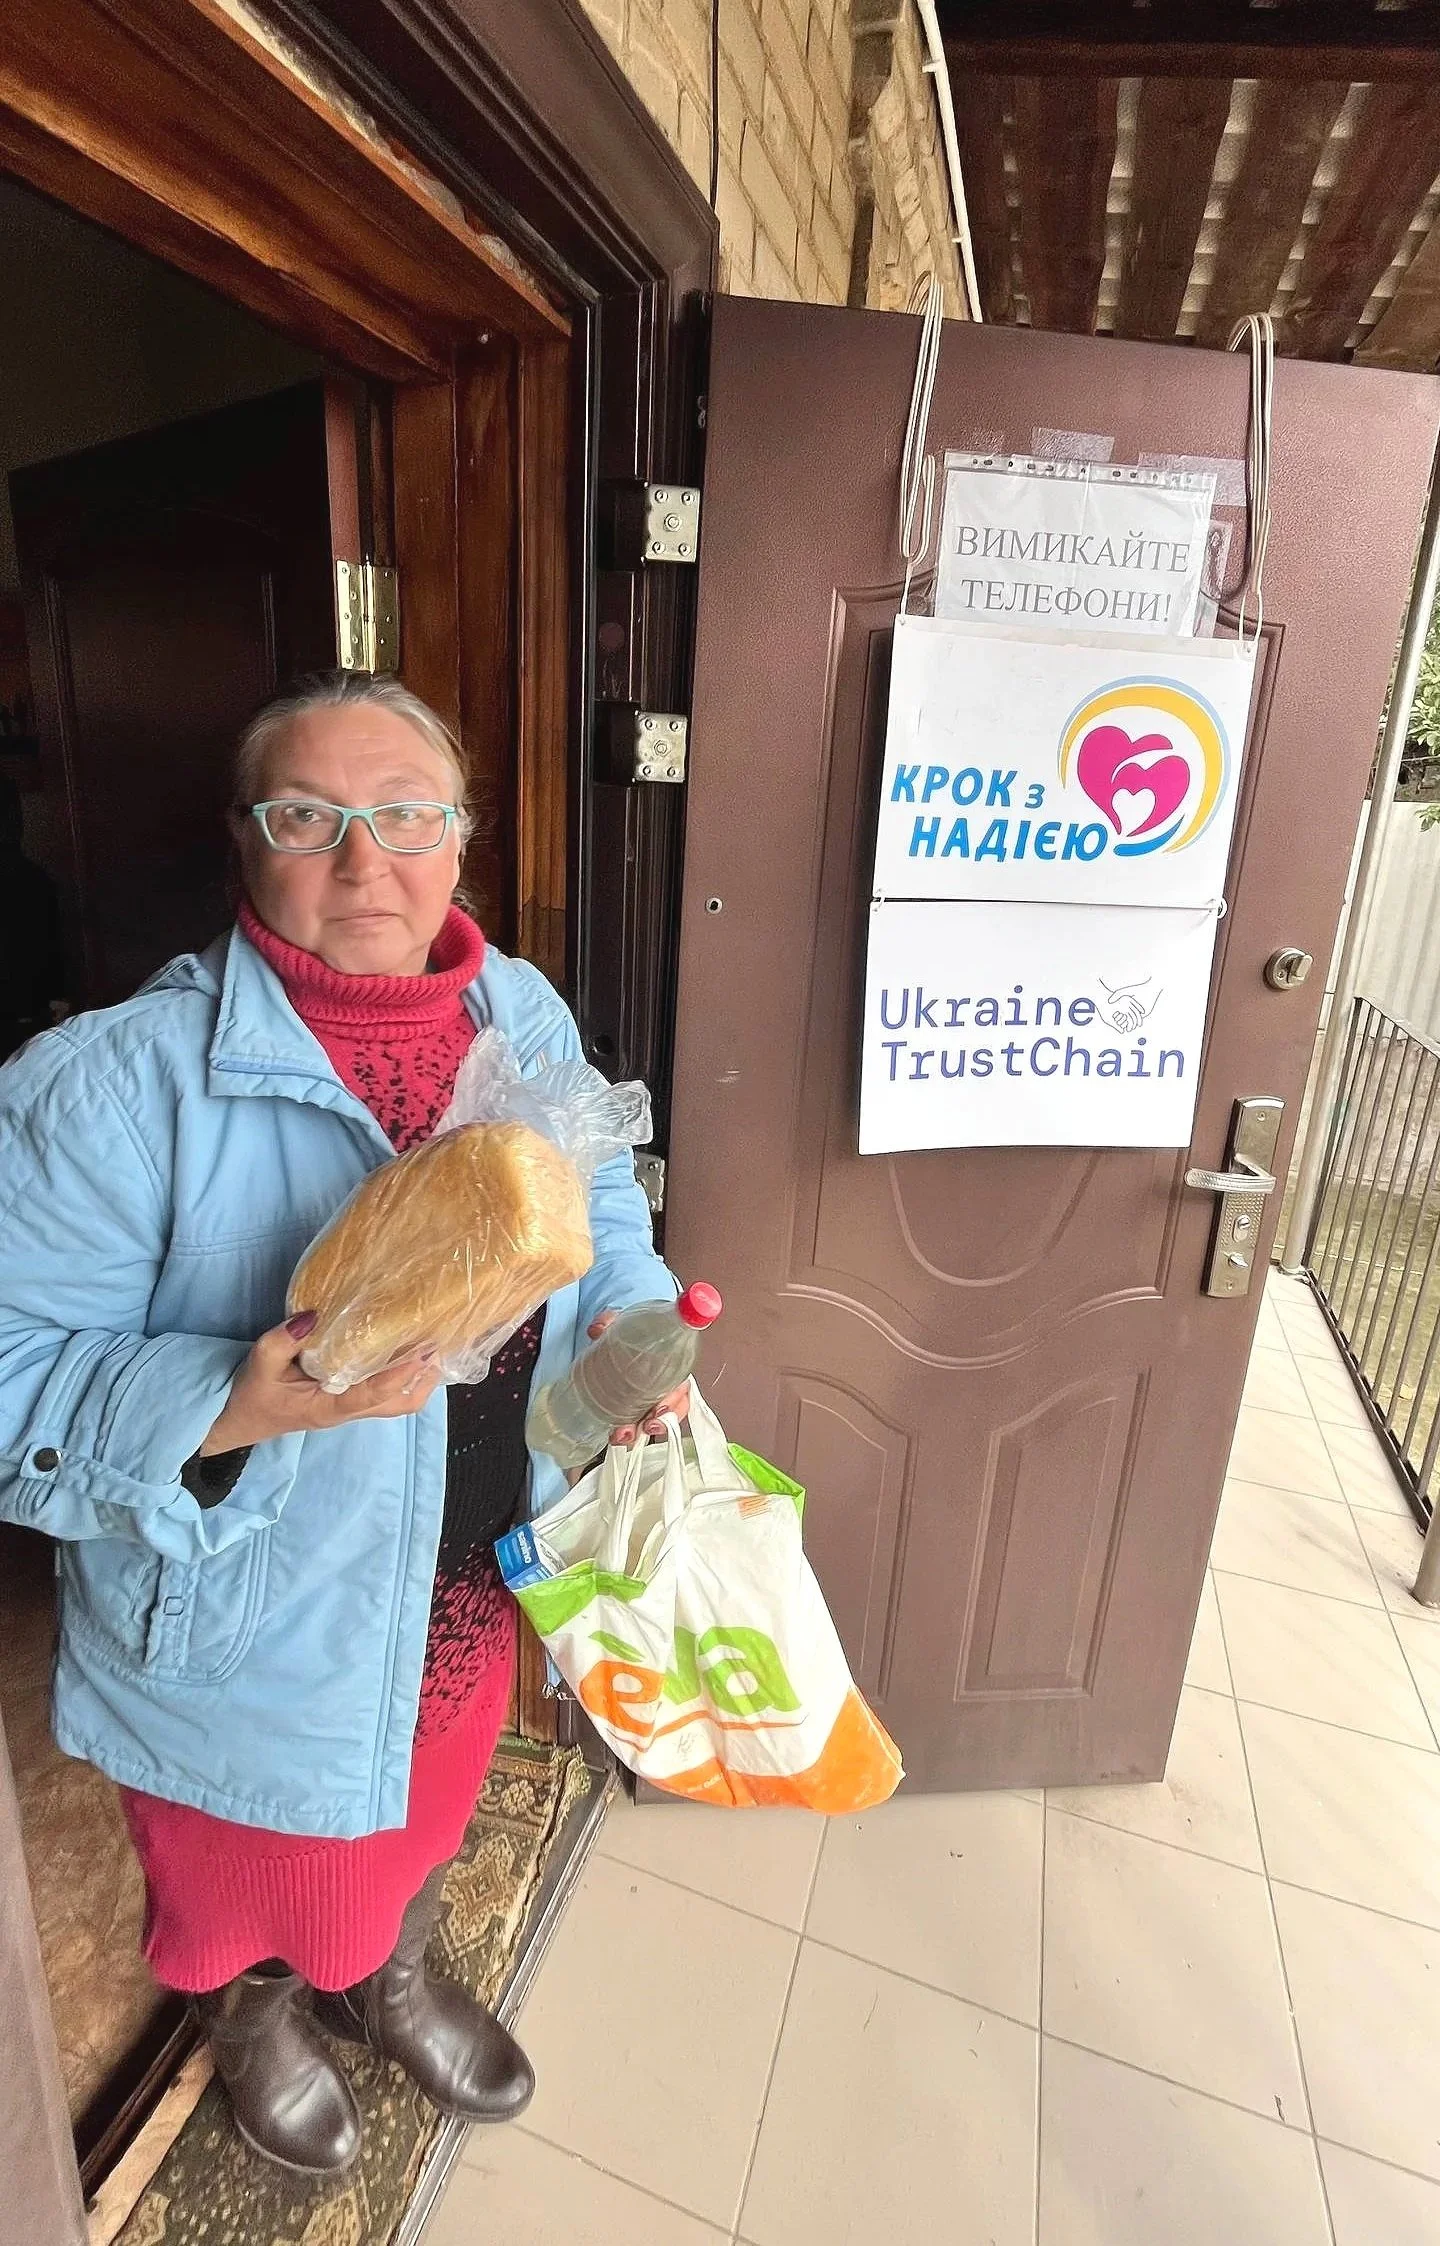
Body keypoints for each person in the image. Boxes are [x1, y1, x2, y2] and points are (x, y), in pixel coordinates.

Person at [0, 673, 685, 2176]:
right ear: (246, 843)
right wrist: (229, 1397)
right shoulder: (108, 1084)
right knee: (240, 1876)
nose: (366, 860)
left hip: (465, 1578)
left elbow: (601, 1207)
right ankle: (249, 2017)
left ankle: (389, 1973)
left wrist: (632, 1324)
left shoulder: (521, 1011)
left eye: (407, 814)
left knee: (423, 1807)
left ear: (461, 839)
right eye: (307, 816)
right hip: (239, 1627)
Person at [0, 771, 68, 1062]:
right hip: (28, 1015)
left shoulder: (33, 881)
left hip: (26, 1015)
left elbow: (50, 944)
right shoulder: (34, 879)